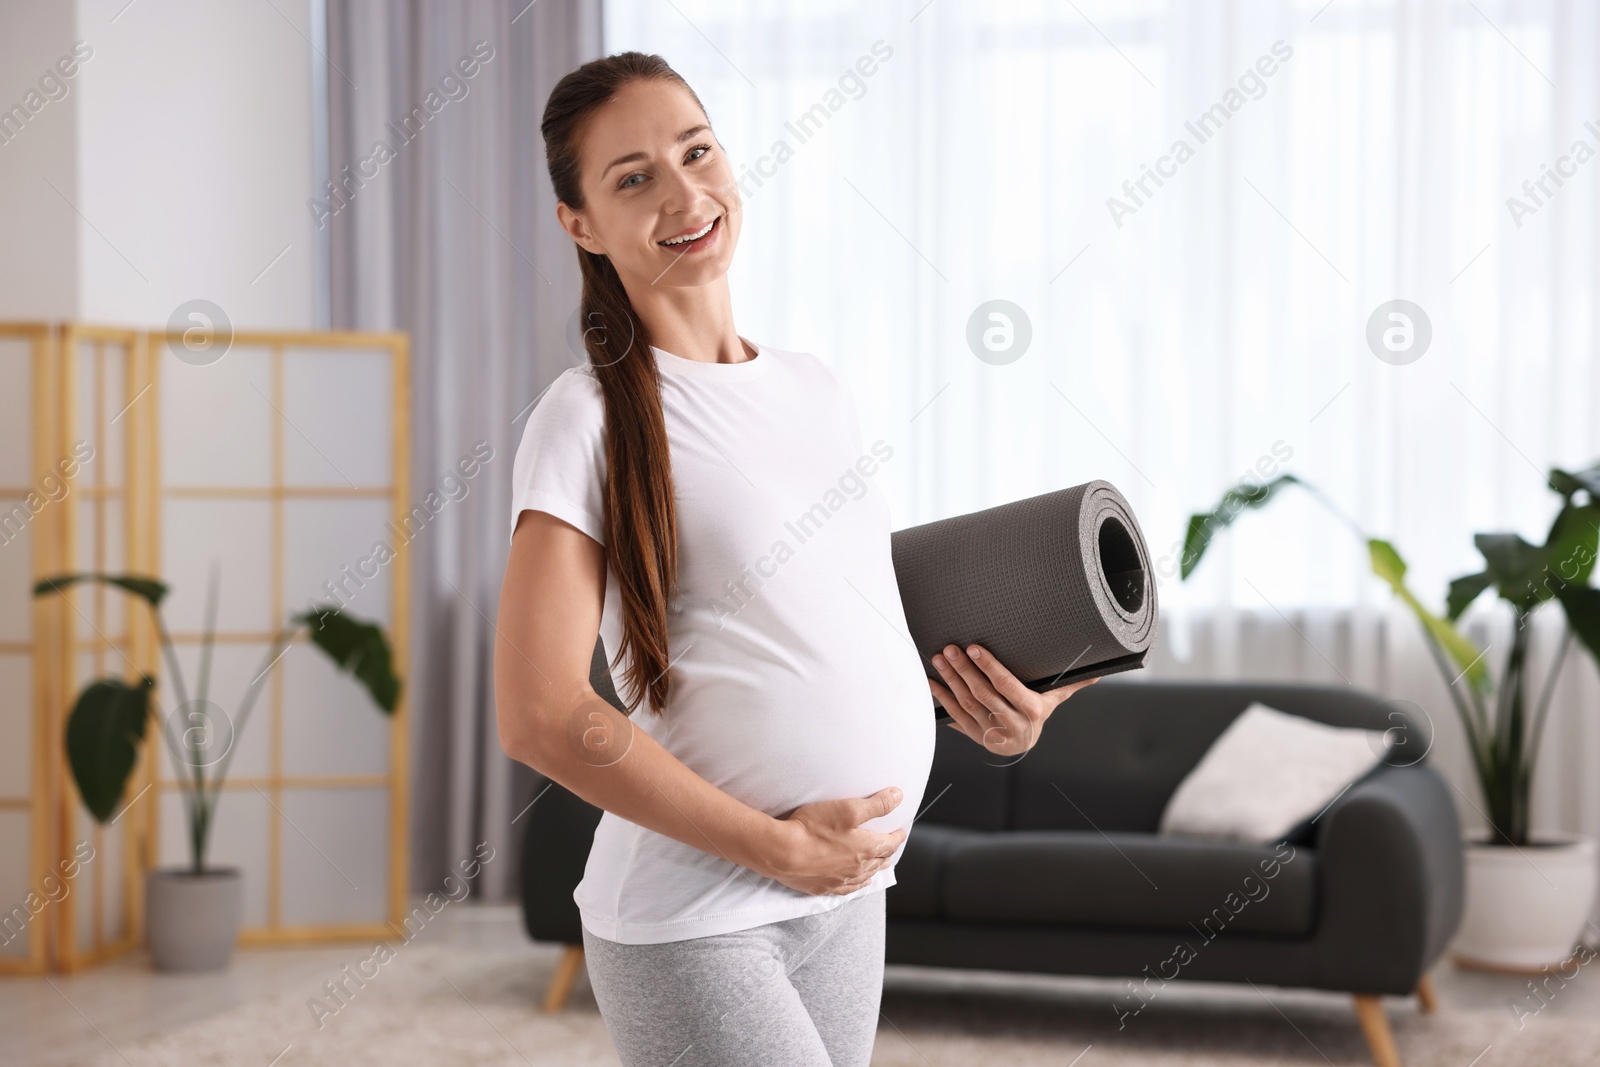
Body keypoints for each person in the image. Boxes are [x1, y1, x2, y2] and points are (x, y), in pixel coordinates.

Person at [494, 50, 1099, 1067]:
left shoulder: (815, 386)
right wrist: (777, 846)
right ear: (580, 224)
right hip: (700, 913)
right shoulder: (586, 414)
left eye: (696, 151)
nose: (684, 193)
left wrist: (1009, 703)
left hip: (848, 888)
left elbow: (838, 629)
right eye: (633, 177)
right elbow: (540, 712)